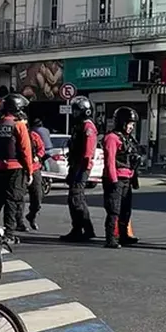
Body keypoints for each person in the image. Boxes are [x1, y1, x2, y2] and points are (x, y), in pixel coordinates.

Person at [0, 93, 32, 230]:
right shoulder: (18, 125)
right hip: (15, 168)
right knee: (11, 200)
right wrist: (29, 171)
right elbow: (26, 150)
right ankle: (9, 232)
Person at [102, 107, 141, 249]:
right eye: (129, 123)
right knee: (114, 209)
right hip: (116, 178)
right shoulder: (111, 138)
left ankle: (124, 235)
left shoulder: (126, 138)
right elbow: (110, 160)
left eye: (132, 124)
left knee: (126, 209)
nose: (131, 127)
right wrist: (113, 180)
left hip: (127, 178)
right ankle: (111, 238)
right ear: (122, 122)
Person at [60, 97, 98, 242]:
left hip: (82, 166)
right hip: (75, 165)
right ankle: (83, 229)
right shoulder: (79, 126)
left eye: (76, 111)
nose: (74, 114)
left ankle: (81, 229)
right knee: (76, 198)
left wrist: (83, 168)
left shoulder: (88, 127)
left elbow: (88, 151)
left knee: (76, 198)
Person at [21, 125, 48, 231]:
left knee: (37, 196)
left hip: (34, 168)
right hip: (21, 169)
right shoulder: (16, 136)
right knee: (19, 198)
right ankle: (20, 222)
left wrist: (38, 156)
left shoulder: (33, 136)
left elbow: (42, 148)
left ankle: (32, 215)